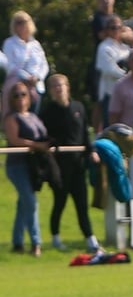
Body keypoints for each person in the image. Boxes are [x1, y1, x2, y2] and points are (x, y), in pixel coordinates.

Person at [39, 74, 101, 253]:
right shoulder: (47, 112)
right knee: (60, 202)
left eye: (61, 86)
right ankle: (56, 238)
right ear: (50, 91)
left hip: (78, 165)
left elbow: (84, 134)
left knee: (82, 204)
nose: (58, 89)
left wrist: (92, 152)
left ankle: (91, 240)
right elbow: (43, 136)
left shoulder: (78, 107)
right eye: (54, 87)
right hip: (59, 165)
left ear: (67, 87)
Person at [4, 81, 50, 257]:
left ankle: (17, 243)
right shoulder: (11, 118)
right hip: (17, 166)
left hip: (33, 165)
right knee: (30, 202)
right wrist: (37, 145)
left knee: (24, 204)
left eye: (23, 94)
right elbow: (15, 140)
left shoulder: (33, 116)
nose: (20, 98)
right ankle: (36, 243)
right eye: (16, 95)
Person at [2, 11, 50, 114]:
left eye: (24, 22)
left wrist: (37, 77)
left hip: (36, 87)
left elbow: (44, 64)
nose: (21, 25)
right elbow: (10, 65)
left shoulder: (36, 44)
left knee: (33, 120)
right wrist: (27, 77)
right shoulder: (9, 43)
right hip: (17, 87)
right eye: (18, 22)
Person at [95, 15, 130, 128]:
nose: (116, 30)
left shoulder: (126, 48)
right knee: (110, 126)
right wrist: (129, 76)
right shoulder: (104, 47)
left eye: (118, 27)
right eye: (112, 28)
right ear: (107, 30)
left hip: (126, 93)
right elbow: (110, 69)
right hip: (110, 93)